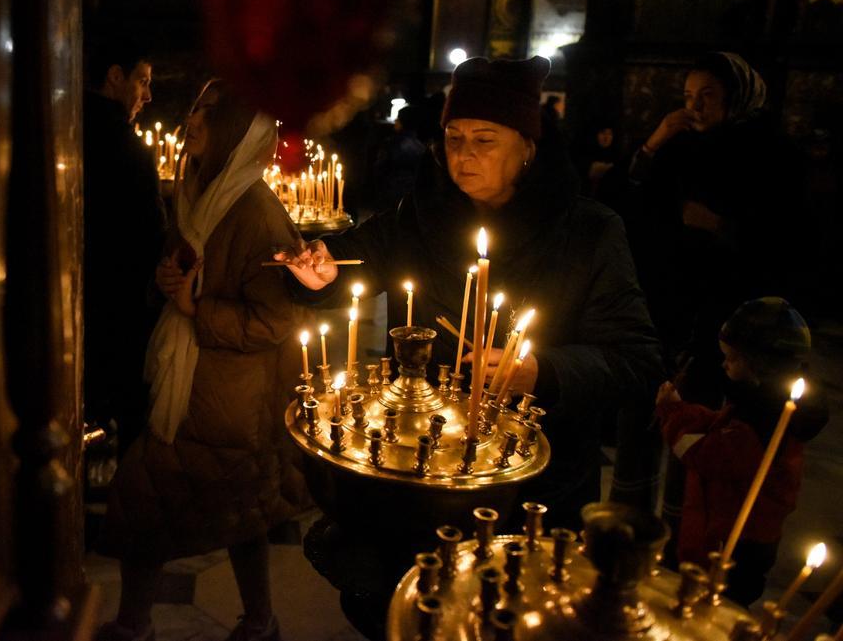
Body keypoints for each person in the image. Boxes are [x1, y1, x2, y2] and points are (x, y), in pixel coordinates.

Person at [277, 56, 665, 527]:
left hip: (530, 481)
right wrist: (324, 272)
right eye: (454, 139)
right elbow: (357, 252)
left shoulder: (588, 232)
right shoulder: (420, 215)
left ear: (527, 147)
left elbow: (636, 360)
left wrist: (543, 371)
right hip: (422, 463)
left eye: (485, 141)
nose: (464, 155)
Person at [96, 81, 309, 641]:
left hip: (229, 400)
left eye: (209, 113)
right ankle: (249, 620)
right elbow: (178, 266)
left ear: (235, 130)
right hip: (191, 385)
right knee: (233, 513)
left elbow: (275, 320)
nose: (193, 119)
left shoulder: (258, 214)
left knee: (159, 504)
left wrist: (198, 307)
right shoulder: (198, 191)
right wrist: (165, 281)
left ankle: (139, 623)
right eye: (196, 106)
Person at [626, 52, 811, 408]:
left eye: (707, 94)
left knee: (703, 419)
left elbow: (788, 238)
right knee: (645, 406)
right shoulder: (677, 145)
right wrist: (654, 141)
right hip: (665, 303)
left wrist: (719, 225)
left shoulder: (773, 155)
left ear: (736, 95)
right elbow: (633, 198)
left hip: (728, 313)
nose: (694, 105)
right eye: (687, 95)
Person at [655, 298, 828, 605]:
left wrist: (672, 413)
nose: (724, 365)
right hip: (738, 532)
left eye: (732, 359)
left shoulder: (763, 420)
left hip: (733, 541)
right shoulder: (761, 404)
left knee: (719, 608)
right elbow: (719, 428)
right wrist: (686, 410)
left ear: (758, 365)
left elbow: (705, 453)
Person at [83, 36, 166, 456]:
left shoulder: (65, 130)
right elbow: (151, 239)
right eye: (143, 81)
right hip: (120, 313)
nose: (147, 96)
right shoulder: (127, 151)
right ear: (116, 76)